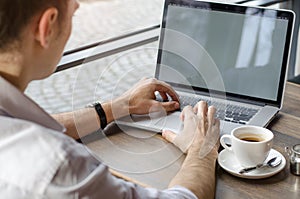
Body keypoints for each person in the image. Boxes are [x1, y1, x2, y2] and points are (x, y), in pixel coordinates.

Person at [0, 0, 220, 198]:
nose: (76, 6)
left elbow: (24, 126)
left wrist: (117, 107)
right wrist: (203, 149)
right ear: (47, 26)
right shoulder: (59, 168)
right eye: (72, 9)